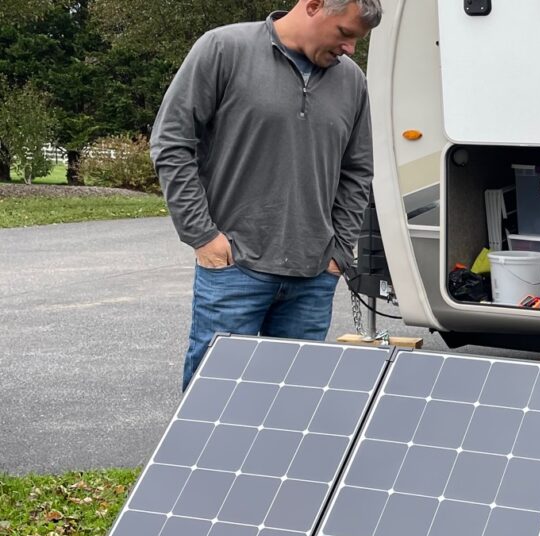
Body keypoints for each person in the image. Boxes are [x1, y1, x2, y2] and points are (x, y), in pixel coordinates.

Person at [151, 0, 382, 390]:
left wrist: (340, 250)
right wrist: (202, 236)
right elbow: (171, 143)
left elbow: (357, 171)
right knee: (215, 401)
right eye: (345, 34)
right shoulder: (223, 49)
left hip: (313, 276)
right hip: (235, 268)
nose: (350, 49)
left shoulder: (352, 81)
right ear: (313, 6)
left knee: (290, 411)